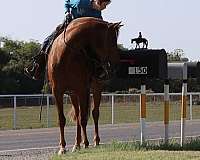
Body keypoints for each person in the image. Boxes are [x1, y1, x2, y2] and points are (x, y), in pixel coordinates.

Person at [25, 0, 111, 80]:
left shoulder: (97, 12)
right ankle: (37, 68)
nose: (105, 7)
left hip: (88, 36)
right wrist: (67, 12)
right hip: (70, 26)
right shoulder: (80, 2)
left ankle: (100, 69)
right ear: (98, 2)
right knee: (46, 41)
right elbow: (68, 1)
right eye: (105, 4)